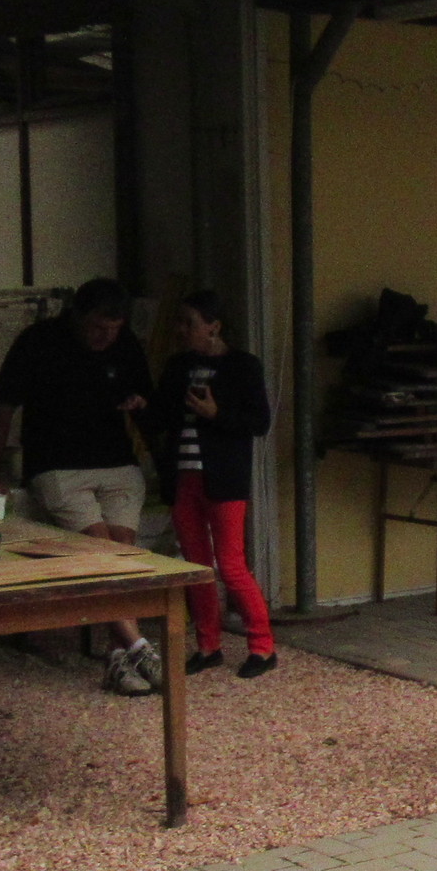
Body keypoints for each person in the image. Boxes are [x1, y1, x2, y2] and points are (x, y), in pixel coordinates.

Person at [0, 279, 161, 696]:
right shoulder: (37, 341)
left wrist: (158, 450)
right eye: (99, 327)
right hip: (57, 465)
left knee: (122, 552)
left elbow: (146, 402)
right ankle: (139, 647)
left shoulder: (126, 345)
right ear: (77, 315)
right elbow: (4, 406)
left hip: (117, 462)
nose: (106, 337)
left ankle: (119, 657)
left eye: (114, 329)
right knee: (102, 550)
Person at [152, 290, 276, 679]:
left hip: (225, 479)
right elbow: (161, 416)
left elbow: (259, 422)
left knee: (231, 564)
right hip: (182, 477)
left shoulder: (243, 366)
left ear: (213, 327)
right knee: (196, 565)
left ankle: (263, 647)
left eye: (189, 323)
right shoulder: (177, 366)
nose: (181, 330)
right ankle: (208, 646)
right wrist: (142, 406)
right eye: (180, 322)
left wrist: (216, 413)